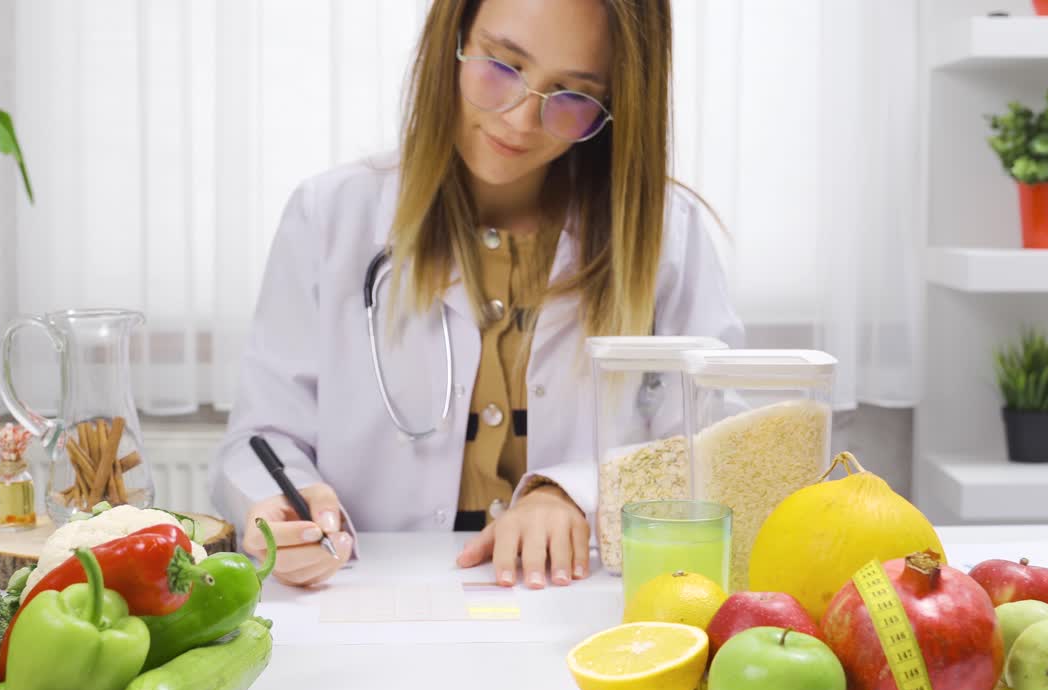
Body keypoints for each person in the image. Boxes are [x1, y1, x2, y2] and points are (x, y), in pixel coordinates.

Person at [211, 0, 742, 590]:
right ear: (455, 37)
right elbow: (260, 440)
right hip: (370, 595)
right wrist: (283, 506)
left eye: (573, 95)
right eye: (503, 66)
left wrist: (573, 493)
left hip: (573, 599)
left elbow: (716, 448)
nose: (520, 119)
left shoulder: (667, 235)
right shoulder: (330, 215)